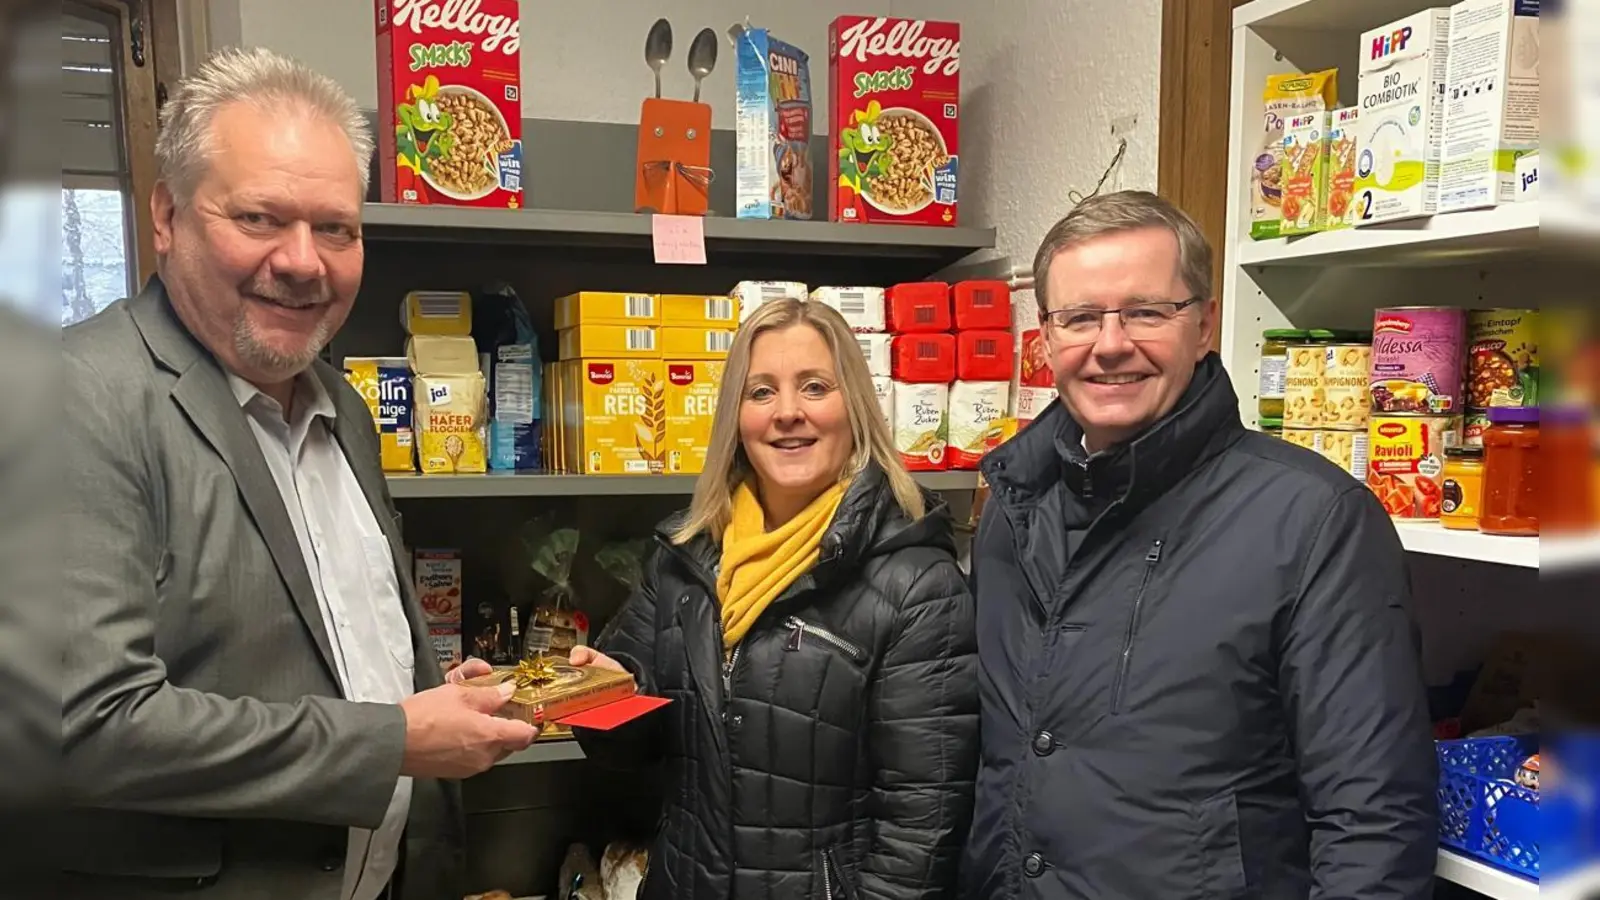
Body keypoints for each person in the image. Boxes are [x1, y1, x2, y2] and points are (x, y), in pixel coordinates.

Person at [60, 48, 537, 900]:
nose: (304, 261)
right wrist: (392, 739)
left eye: (336, 228)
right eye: (259, 219)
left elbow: (336, 645)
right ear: (165, 216)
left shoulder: (342, 408)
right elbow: (89, 727)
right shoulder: (75, 396)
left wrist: (435, 695)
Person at [961, 190, 1438, 899]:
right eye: (1081, 317)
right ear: (1046, 336)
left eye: (1148, 312)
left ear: (1205, 324)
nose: (1111, 343)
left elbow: (1373, 821)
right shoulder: (1015, 508)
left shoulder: (1312, 521)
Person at [570, 298, 978, 900]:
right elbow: (630, 750)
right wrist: (595, 695)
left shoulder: (917, 586)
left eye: (814, 386)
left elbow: (920, 837)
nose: (787, 413)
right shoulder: (686, 558)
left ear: (855, 407)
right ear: (735, 416)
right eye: (760, 392)